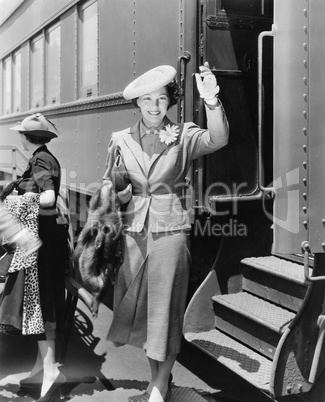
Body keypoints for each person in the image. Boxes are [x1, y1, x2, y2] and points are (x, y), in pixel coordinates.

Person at [103, 62, 229, 402]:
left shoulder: (185, 135)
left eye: (161, 98)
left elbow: (218, 138)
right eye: (147, 100)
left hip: (171, 230)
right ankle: (157, 381)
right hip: (134, 233)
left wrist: (212, 102)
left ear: (169, 101)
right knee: (144, 311)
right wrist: (120, 192)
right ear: (137, 104)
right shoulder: (120, 140)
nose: (155, 106)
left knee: (167, 310)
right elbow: (109, 185)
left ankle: (159, 387)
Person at [0, 113, 66, 402]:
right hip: (46, 238)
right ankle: (44, 368)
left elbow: (48, 197)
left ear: (27, 139)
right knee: (41, 305)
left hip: (39, 242)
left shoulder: (40, 161)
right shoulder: (44, 157)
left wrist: (16, 201)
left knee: (40, 306)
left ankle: (50, 372)